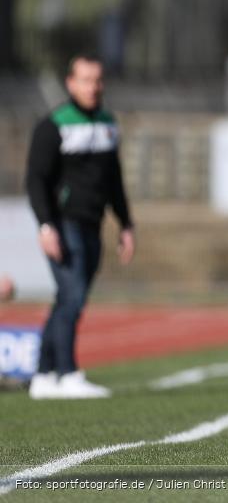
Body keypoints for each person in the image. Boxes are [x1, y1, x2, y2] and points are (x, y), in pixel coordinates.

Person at [25, 54, 135, 399]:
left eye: (98, 80)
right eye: (86, 80)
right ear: (70, 83)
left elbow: (114, 180)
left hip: (93, 222)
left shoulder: (107, 124)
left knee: (69, 299)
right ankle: (68, 372)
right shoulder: (54, 124)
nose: (93, 87)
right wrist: (46, 225)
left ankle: (43, 375)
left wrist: (125, 223)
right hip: (63, 222)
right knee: (71, 296)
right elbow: (36, 180)